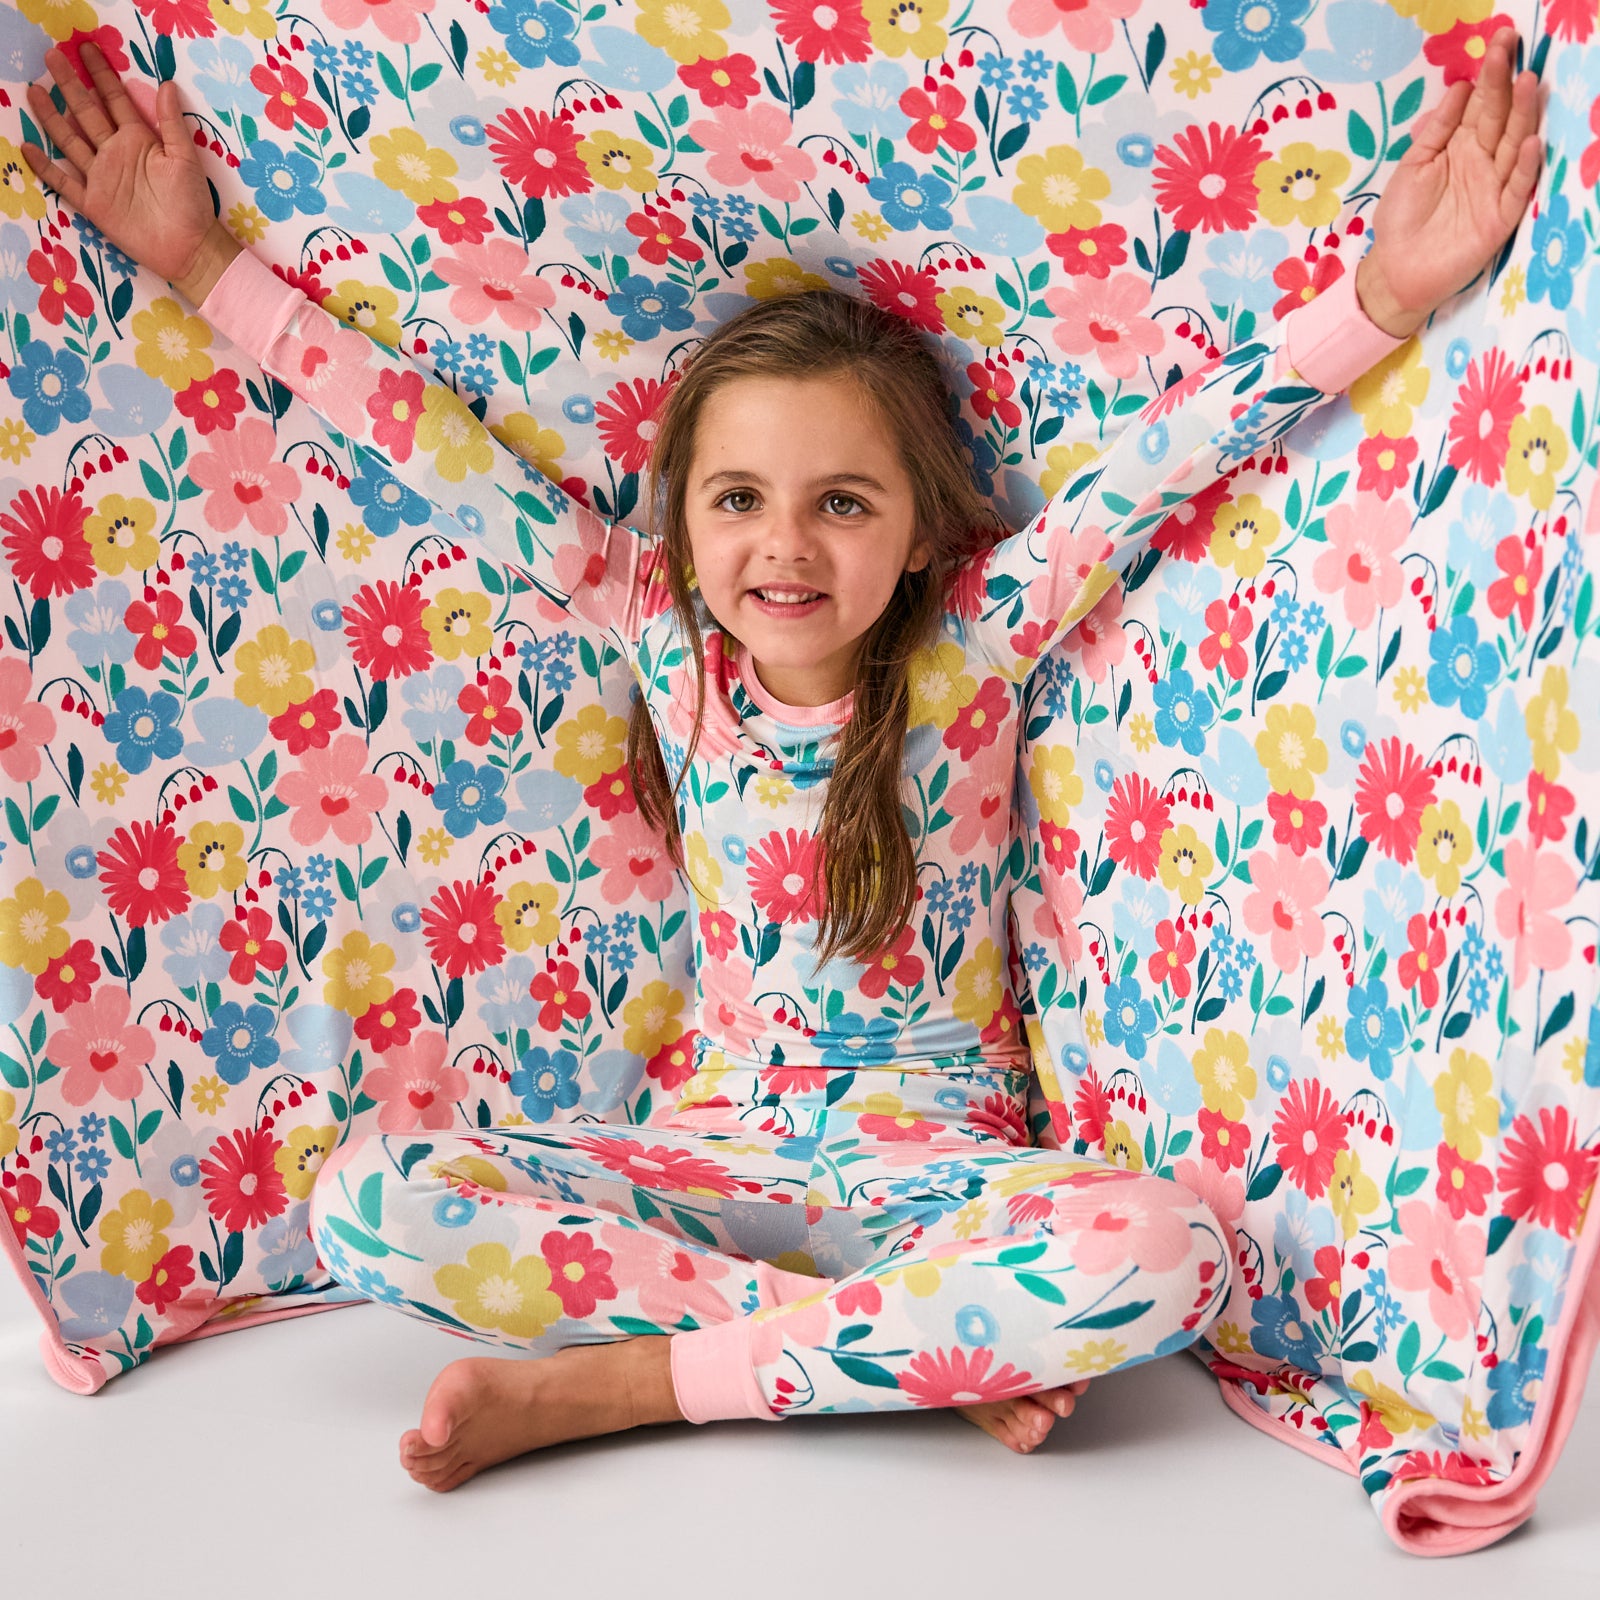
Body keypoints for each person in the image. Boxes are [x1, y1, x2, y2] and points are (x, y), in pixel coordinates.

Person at [21, 34, 1540, 1491]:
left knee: (1166, 1256)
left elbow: (1176, 450)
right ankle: (873, 1361)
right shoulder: (666, 646)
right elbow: (428, 445)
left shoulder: (976, 645)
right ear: (683, 526)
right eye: (739, 498)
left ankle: (624, 1384)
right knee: (368, 1203)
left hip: (938, 1180)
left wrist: (1388, 293)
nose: (784, 545)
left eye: (842, 503)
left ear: (924, 529)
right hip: (712, 1163)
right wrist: (204, 268)